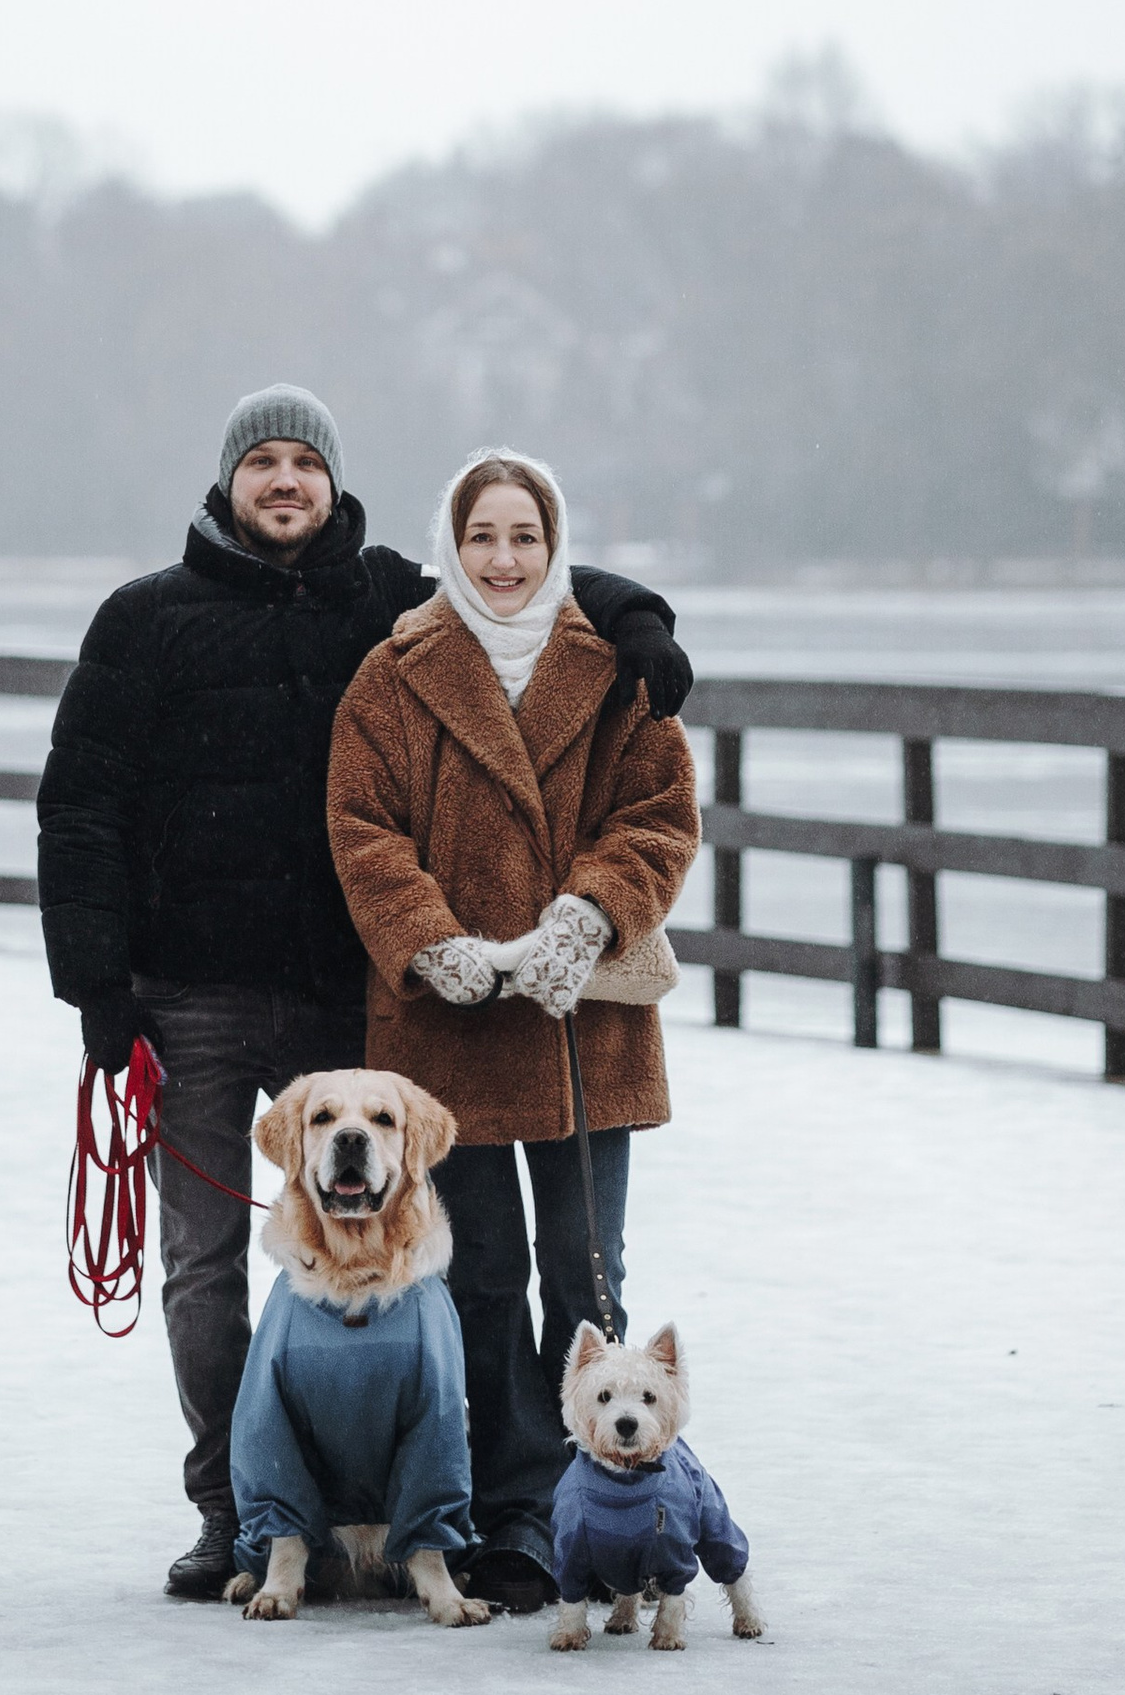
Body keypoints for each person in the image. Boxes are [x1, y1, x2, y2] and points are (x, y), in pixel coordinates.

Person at [35, 384, 691, 1601]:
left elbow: (520, 570)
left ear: (335, 481)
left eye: (306, 461)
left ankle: (453, 1501)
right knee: (204, 1267)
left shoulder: (386, 593)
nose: (285, 480)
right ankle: (237, 1509)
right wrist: (96, 988)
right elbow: (79, 808)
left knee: (422, 1254)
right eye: (262, 462)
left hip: (348, 1002)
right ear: (227, 481)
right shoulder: (145, 618)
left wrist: (638, 614)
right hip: (197, 993)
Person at [324, 446, 700, 1613]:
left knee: (586, 1267)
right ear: (452, 544)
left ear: (554, 545)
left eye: (523, 537)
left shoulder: (617, 671)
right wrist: (433, 942)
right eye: (480, 536)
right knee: (480, 1276)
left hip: (583, 1022)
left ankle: (602, 1487)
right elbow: (360, 825)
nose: (502, 559)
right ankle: (515, 1509)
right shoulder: (394, 673)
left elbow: (659, 814)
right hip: (452, 1031)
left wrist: (584, 918)